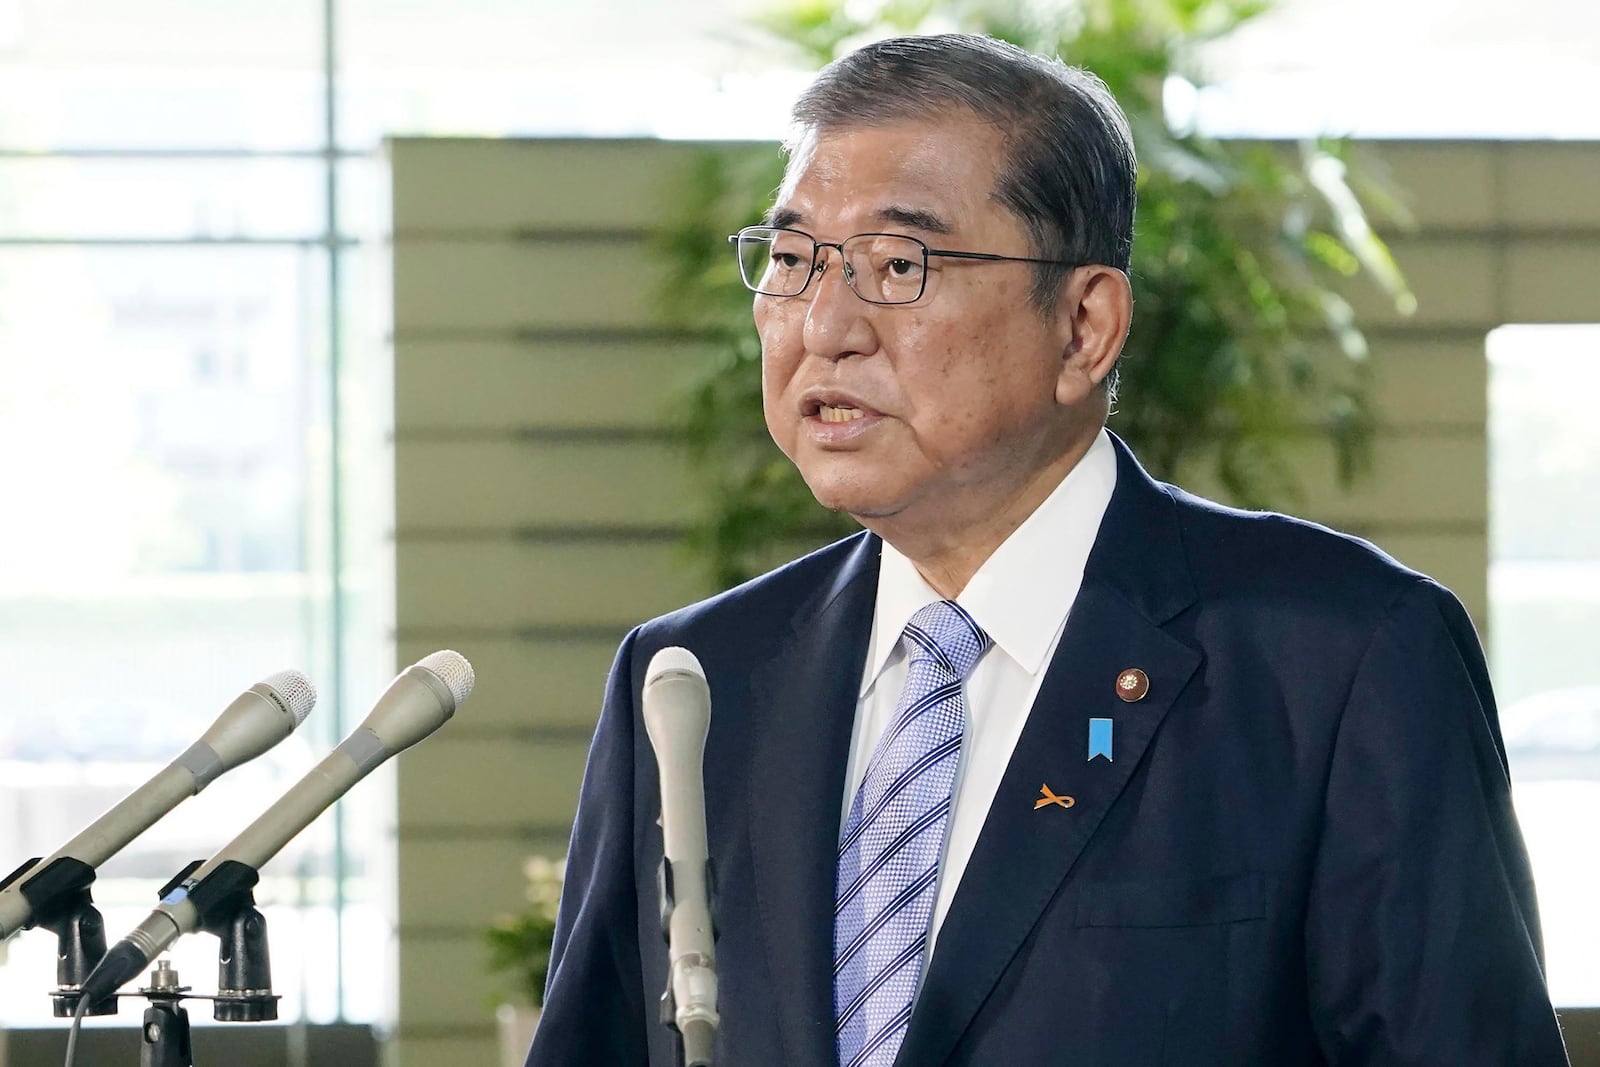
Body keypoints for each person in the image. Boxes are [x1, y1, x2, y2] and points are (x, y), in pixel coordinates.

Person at [526, 33, 1569, 1067]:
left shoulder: (1341, 659)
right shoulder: (695, 682)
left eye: (898, 264)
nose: (824, 325)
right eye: (793, 261)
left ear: (1084, 326)